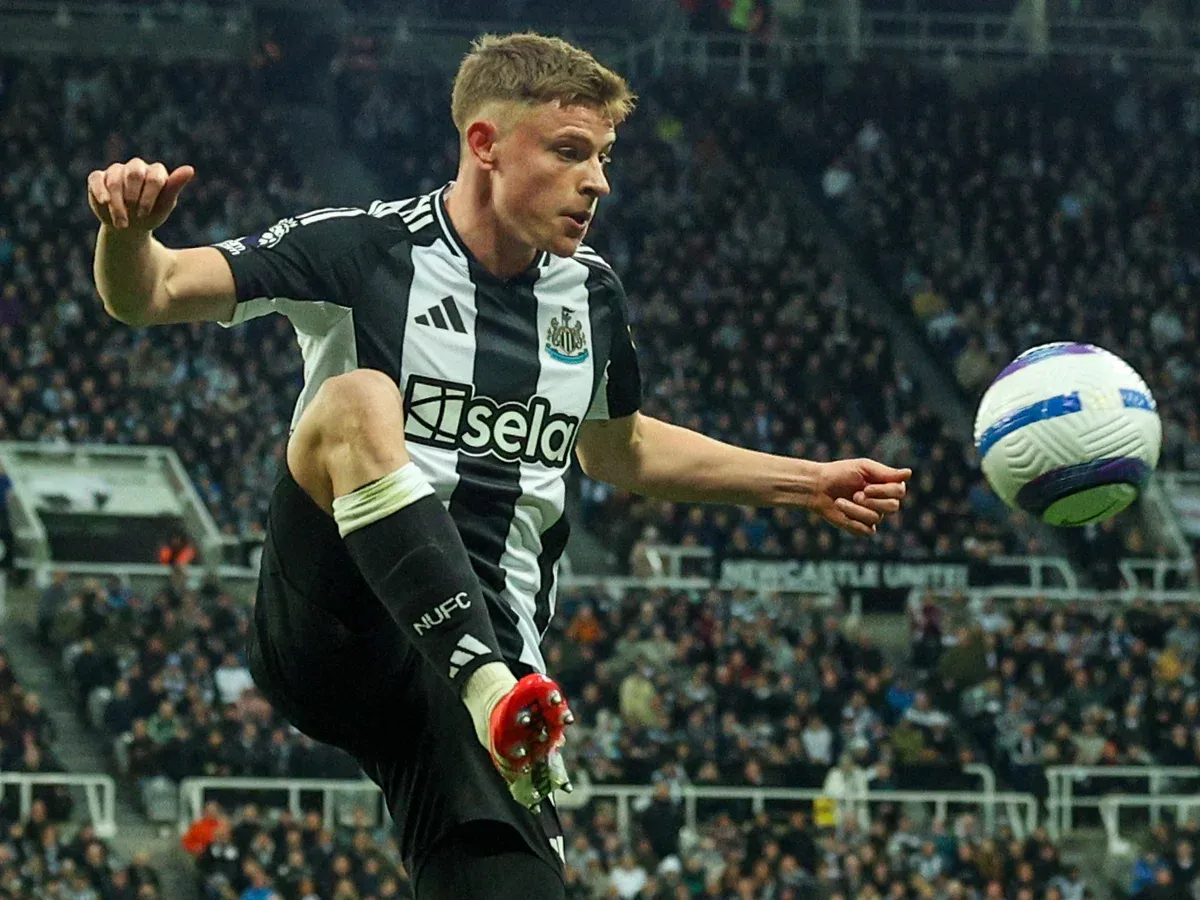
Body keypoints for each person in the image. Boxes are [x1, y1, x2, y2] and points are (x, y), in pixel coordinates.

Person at [87, 32, 910, 900]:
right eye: (569, 151)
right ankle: (486, 684)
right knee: (356, 400)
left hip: (480, 678)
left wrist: (806, 481)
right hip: (337, 623)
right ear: (485, 144)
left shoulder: (590, 296)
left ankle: (486, 690)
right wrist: (126, 235)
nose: (597, 180)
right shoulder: (362, 250)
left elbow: (620, 449)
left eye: (602, 156)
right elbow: (151, 292)